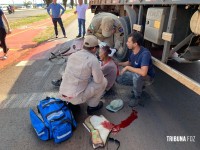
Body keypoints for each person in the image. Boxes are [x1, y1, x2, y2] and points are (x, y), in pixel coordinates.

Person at [59, 35, 107, 115]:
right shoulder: (92, 59)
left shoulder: (73, 55)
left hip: (63, 94)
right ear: (94, 48)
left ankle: (72, 104)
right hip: (75, 97)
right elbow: (98, 80)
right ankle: (92, 106)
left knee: (82, 79)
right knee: (103, 81)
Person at [116, 32, 155, 107]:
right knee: (119, 78)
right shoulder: (133, 50)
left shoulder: (145, 54)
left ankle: (137, 96)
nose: (127, 43)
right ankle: (139, 86)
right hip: (138, 76)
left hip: (148, 78)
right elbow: (129, 62)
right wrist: (118, 63)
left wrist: (127, 68)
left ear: (135, 44)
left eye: (129, 42)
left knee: (138, 76)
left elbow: (143, 73)